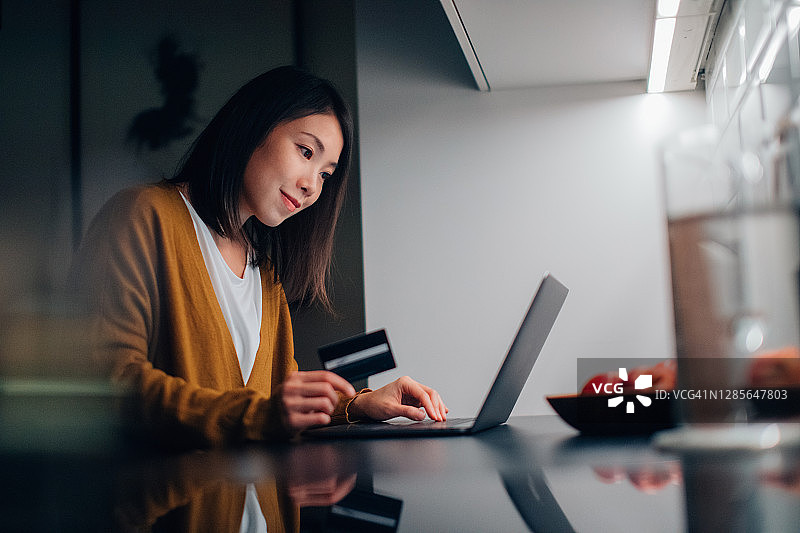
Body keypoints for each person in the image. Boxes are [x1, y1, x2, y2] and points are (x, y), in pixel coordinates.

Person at [70, 66, 447, 447]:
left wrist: (358, 405)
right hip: (172, 502)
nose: (311, 186)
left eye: (326, 175)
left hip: (256, 503)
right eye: (305, 152)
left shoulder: (264, 273)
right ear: (253, 125)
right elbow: (109, 382)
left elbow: (276, 406)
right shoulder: (143, 215)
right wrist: (261, 416)